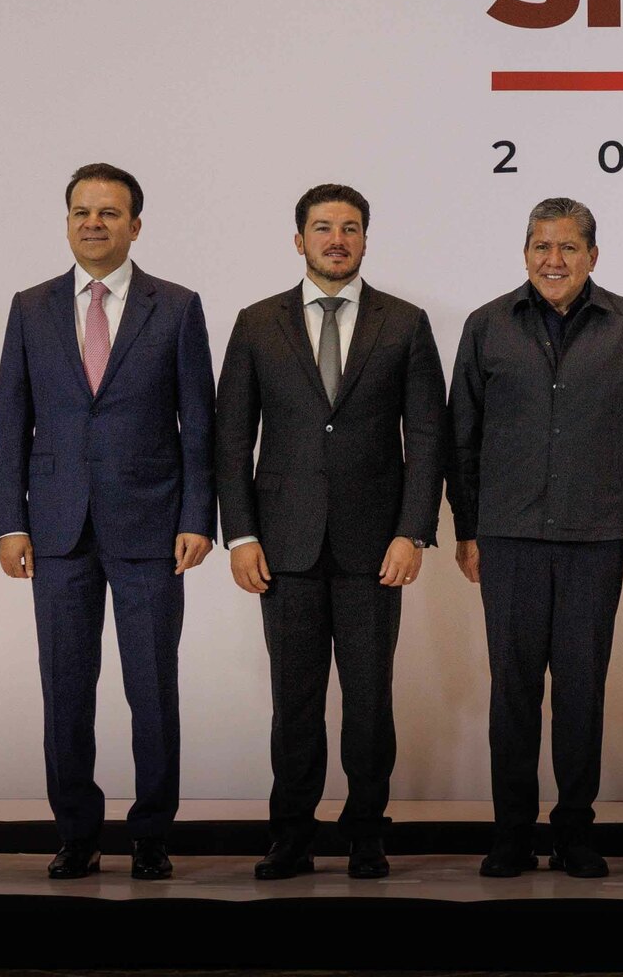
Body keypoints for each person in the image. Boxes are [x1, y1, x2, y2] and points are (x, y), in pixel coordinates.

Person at [214, 184, 447, 880]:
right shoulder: (257, 323)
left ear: (366, 240)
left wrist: (414, 531)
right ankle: (291, 834)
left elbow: (428, 436)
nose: (336, 239)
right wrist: (241, 535)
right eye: (323, 228)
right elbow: (231, 439)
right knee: (296, 701)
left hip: (376, 547)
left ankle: (367, 831)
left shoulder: (404, 323)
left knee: (371, 699)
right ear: (299, 240)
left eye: (349, 228)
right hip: (282, 546)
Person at [0, 163, 215, 880]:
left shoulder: (175, 307)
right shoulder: (30, 307)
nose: (95, 222)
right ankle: (77, 834)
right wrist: (9, 522)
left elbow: (199, 428)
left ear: (135, 225)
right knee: (64, 686)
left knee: (152, 685)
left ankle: (151, 834)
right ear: (66, 223)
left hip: (152, 526)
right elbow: (9, 421)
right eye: (82, 211)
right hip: (54, 528)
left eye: (110, 213)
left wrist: (197, 517)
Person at [448, 197, 623, 878]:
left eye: (568, 247)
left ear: (594, 255)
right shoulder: (487, 327)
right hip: (506, 537)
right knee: (512, 689)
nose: (554, 260)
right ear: (525, 252)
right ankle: (511, 831)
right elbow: (463, 437)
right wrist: (468, 528)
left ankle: (574, 831)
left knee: (580, 691)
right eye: (541, 246)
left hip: (595, 538)